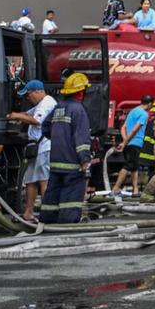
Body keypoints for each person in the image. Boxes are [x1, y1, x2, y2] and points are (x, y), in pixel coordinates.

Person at [41, 73, 92, 224]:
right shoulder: (79, 110)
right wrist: (84, 159)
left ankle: (48, 219)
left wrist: (59, 139)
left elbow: (45, 128)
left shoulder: (58, 107)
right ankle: (67, 221)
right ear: (81, 92)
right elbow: (81, 138)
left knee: (53, 192)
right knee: (71, 194)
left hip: (56, 162)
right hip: (72, 163)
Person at [6, 80, 56, 222]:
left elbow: (36, 120)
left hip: (45, 147)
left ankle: (48, 214)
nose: (27, 99)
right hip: (36, 148)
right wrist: (12, 114)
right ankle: (28, 212)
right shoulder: (39, 104)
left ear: (37, 91)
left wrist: (16, 116)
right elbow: (27, 114)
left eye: (28, 96)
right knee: (31, 180)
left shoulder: (47, 103)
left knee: (43, 181)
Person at [115, 95, 153, 197]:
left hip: (129, 143)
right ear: (149, 104)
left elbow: (123, 127)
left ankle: (135, 190)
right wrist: (125, 142)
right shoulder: (144, 114)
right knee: (128, 166)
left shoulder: (132, 111)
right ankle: (115, 189)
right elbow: (135, 129)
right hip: (136, 143)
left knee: (134, 167)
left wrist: (125, 141)